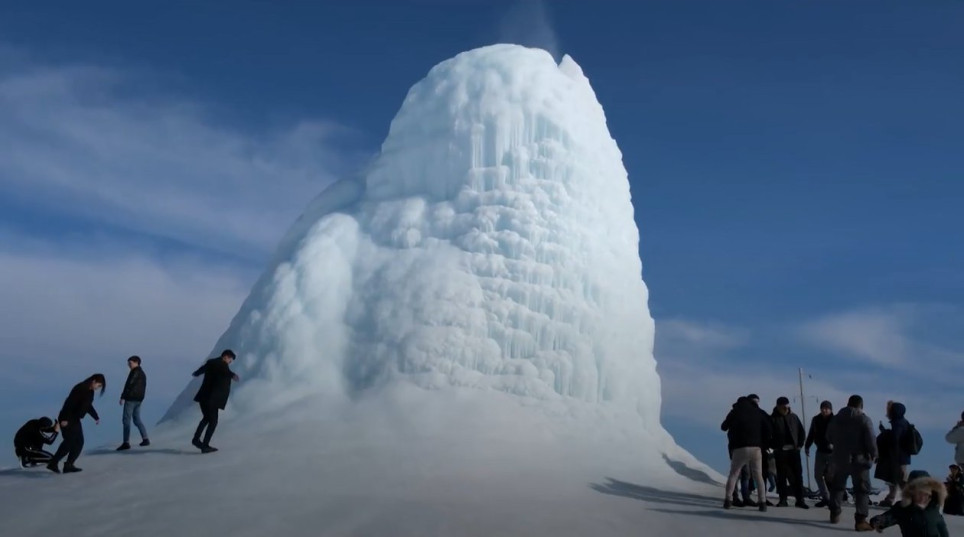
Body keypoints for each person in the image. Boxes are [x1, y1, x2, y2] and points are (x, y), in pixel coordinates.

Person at [827, 394, 878, 531]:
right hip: (859, 460)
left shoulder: (836, 418)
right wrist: (874, 454)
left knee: (837, 487)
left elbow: (829, 436)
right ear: (861, 405)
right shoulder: (863, 419)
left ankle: (835, 512)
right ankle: (860, 521)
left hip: (839, 458)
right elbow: (871, 439)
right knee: (861, 490)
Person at [721, 395, 772, 512]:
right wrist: (763, 442)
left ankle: (728, 501)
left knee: (734, 474)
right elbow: (768, 427)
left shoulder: (734, 412)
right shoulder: (757, 412)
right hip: (756, 448)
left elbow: (723, 427)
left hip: (739, 448)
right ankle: (762, 502)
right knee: (758, 475)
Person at [47, 374, 105, 474]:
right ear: (94, 381)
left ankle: (69, 465)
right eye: (99, 385)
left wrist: (95, 416)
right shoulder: (80, 388)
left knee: (79, 441)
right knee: (69, 441)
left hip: (75, 418)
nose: (98, 388)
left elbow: (87, 406)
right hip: (67, 417)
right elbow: (69, 403)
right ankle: (53, 462)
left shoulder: (90, 392)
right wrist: (65, 419)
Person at [869, 470, 950, 537]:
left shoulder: (933, 508)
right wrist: (879, 520)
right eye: (919, 493)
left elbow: (942, 528)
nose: (922, 497)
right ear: (911, 492)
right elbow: (889, 517)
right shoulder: (903, 508)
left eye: (926, 494)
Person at [191, 349, 239, 453]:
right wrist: (233, 375)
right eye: (230, 359)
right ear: (226, 357)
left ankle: (196, 440)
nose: (230, 361)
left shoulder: (211, 362)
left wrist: (197, 373)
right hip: (211, 399)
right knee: (213, 421)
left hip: (204, 397)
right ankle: (205, 445)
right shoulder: (220, 364)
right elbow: (225, 371)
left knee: (207, 418)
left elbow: (203, 369)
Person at [771, 396, 808, 508]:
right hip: (780, 452)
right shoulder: (773, 419)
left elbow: (801, 432)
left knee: (798, 476)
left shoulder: (794, 417)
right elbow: (768, 435)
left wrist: (800, 445)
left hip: (794, 451)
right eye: (783, 407)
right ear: (778, 407)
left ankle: (800, 500)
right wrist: (775, 447)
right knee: (781, 477)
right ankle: (783, 500)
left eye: (787, 406)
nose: (785, 409)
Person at [877, 401, 912, 507]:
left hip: (897, 457)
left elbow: (895, 439)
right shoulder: (901, 422)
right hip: (900, 456)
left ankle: (910, 500)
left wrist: (884, 433)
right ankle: (891, 498)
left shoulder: (898, 423)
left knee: (900, 479)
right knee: (895, 478)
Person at [805, 400, 835, 508]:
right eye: (823, 408)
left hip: (833, 452)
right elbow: (811, 434)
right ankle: (825, 498)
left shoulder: (835, 420)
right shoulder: (816, 419)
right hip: (820, 451)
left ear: (830, 409)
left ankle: (833, 499)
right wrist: (807, 446)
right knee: (818, 475)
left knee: (831, 477)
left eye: (826, 408)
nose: (824, 410)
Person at [117, 355, 150, 451]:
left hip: (131, 398)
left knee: (126, 420)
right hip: (139, 399)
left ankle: (126, 442)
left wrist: (123, 397)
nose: (128, 365)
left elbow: (129, 384)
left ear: (136, 362)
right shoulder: (143, 373)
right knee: (136, 419)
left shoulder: (134, 372)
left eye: (130, 363)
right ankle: (145, 438)